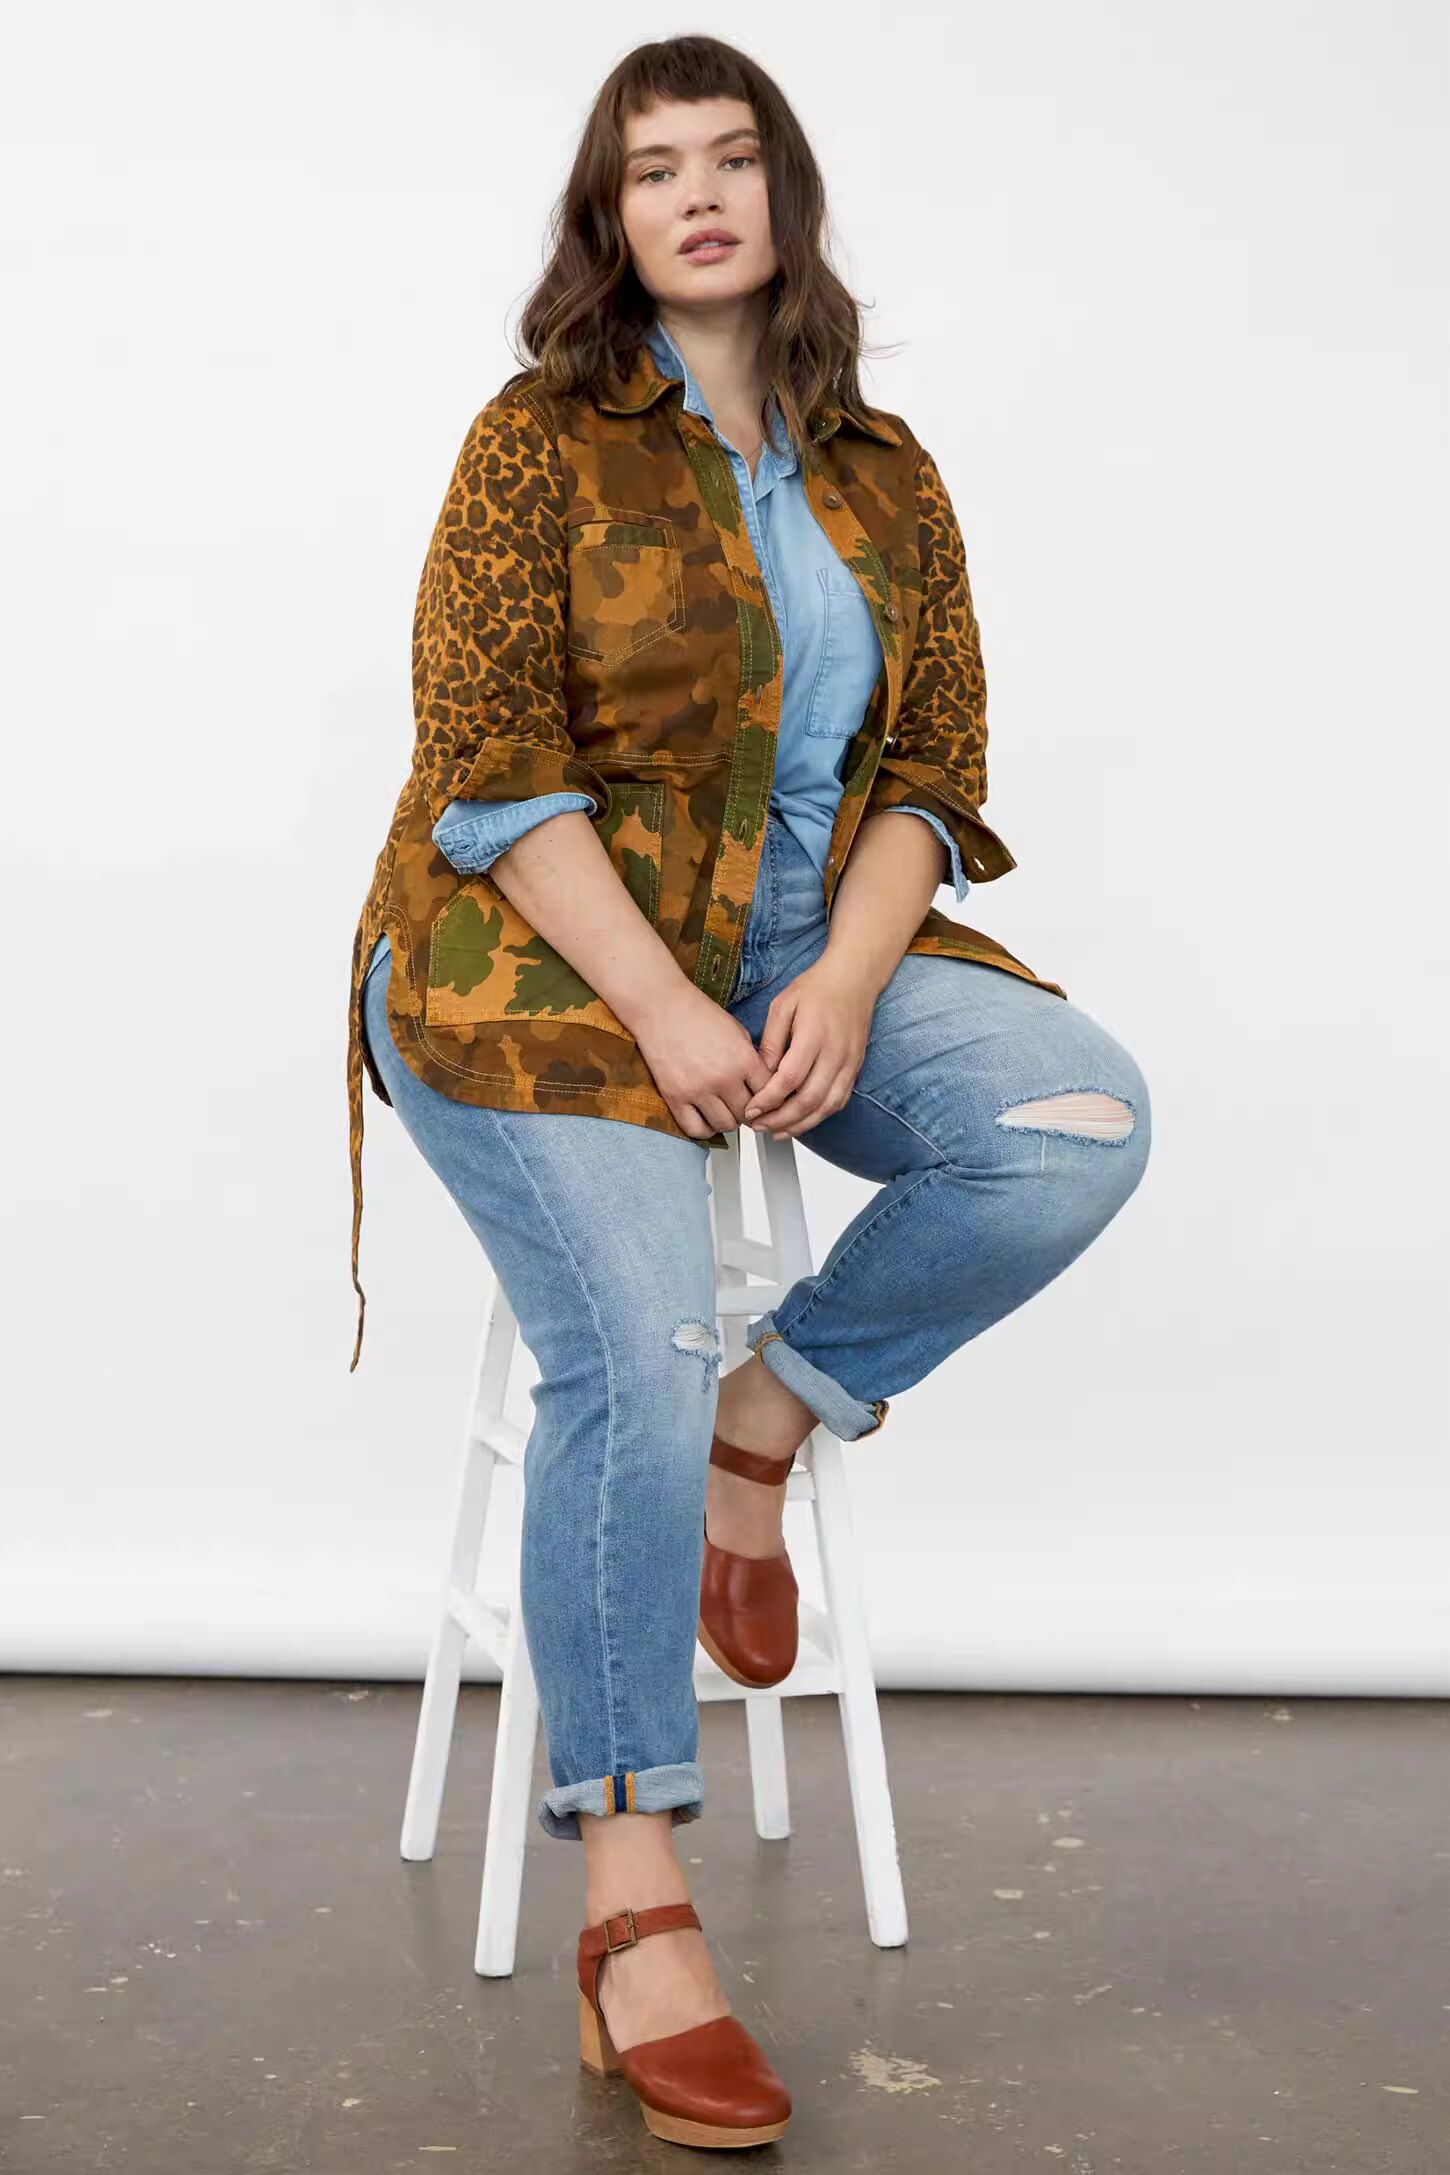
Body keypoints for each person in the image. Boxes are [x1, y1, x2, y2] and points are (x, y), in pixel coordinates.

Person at [345, 34, 1151, 2152]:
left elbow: (929, 773)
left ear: (781, 192)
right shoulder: (533, 442)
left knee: (1072, 1119)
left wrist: (842, 981)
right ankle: (631, 1890)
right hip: (536, 957)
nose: (695, 196)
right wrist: (663, 1009)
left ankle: (764, 1424)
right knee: (626, 1330)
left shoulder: (884, 470)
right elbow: (488, 771)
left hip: (801, 946)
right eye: (651, 169)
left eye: (729, 159)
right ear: (605, 217)